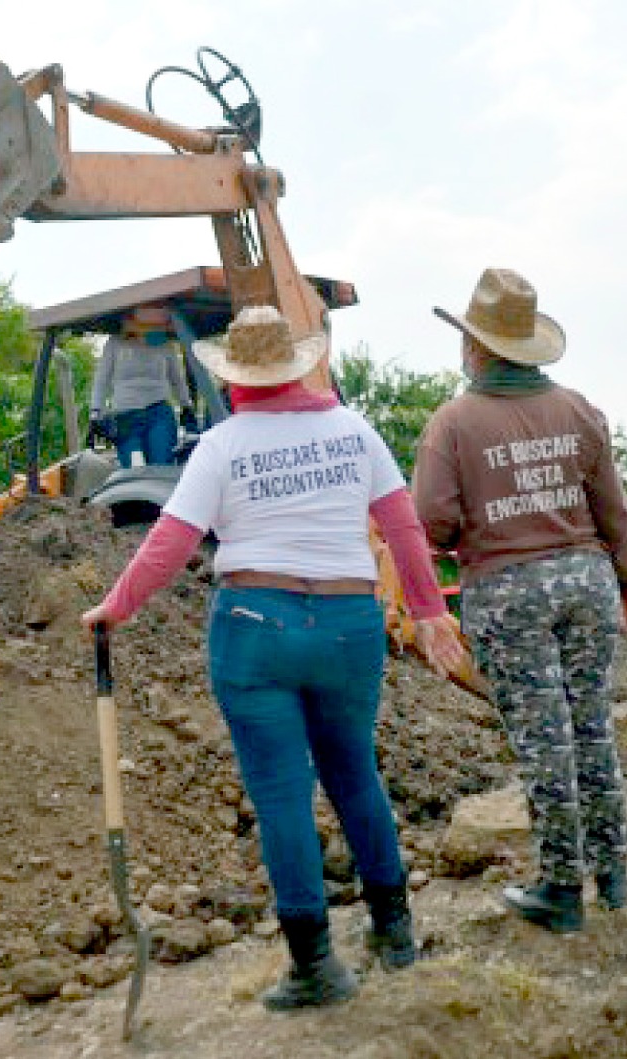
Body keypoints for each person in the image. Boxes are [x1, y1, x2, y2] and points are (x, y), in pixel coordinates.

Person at [82, 305, 465, 1010]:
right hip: (350, 626)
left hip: (257, 626)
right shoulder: (354, 431)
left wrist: (116, 605)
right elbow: (402, 524)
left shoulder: (223, 445)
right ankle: (396, 933)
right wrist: (431, 610)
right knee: (355, 774)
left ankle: (316, 966)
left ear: (234, 380)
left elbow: (171, 539)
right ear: (297, 366)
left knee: (284, 793)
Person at [412, 268, 627, 935]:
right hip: (588, 583)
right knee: (592, 726)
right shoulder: (578, 410)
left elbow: (432, 523)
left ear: (476, 348)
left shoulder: (452, 423)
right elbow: (614, 512)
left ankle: (560, 888)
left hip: (510, 591)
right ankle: (614, 873)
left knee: (545, 739)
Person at [89, 305, 196, 468]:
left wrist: (186, 406)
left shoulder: (163, 343)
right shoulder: (115, 342)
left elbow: (177, 379)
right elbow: (101, 380)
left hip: (158, 412)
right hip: (126, 416)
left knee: (162, 467)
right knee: (134, 471)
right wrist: (96, 412)